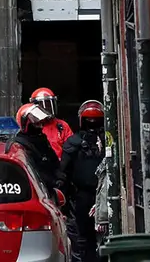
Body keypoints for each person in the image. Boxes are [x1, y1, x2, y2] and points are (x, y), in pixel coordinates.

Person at [60, 100, 105, 262]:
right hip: (92, 197)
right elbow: (63, 175)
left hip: (91, 197)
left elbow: (63, 174)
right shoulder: (106, 141)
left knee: (83, 239)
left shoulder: (75, 142)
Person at [8, 103, 65, 191]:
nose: (41, 127)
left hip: (52, 189)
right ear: (26, 125)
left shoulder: (42, 140)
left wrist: (60, 176)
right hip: (35, 190)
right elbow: (32, 171)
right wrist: (52, 181)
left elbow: (54, 161)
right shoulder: (19, 144)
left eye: (42, 123)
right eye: (37, 124)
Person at [30, 87, 73, 158]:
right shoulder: (32, 126)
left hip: (60, 164)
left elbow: (71, 147)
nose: (47, 108)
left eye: (49, 105)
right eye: (43, 105)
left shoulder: (62, 125)